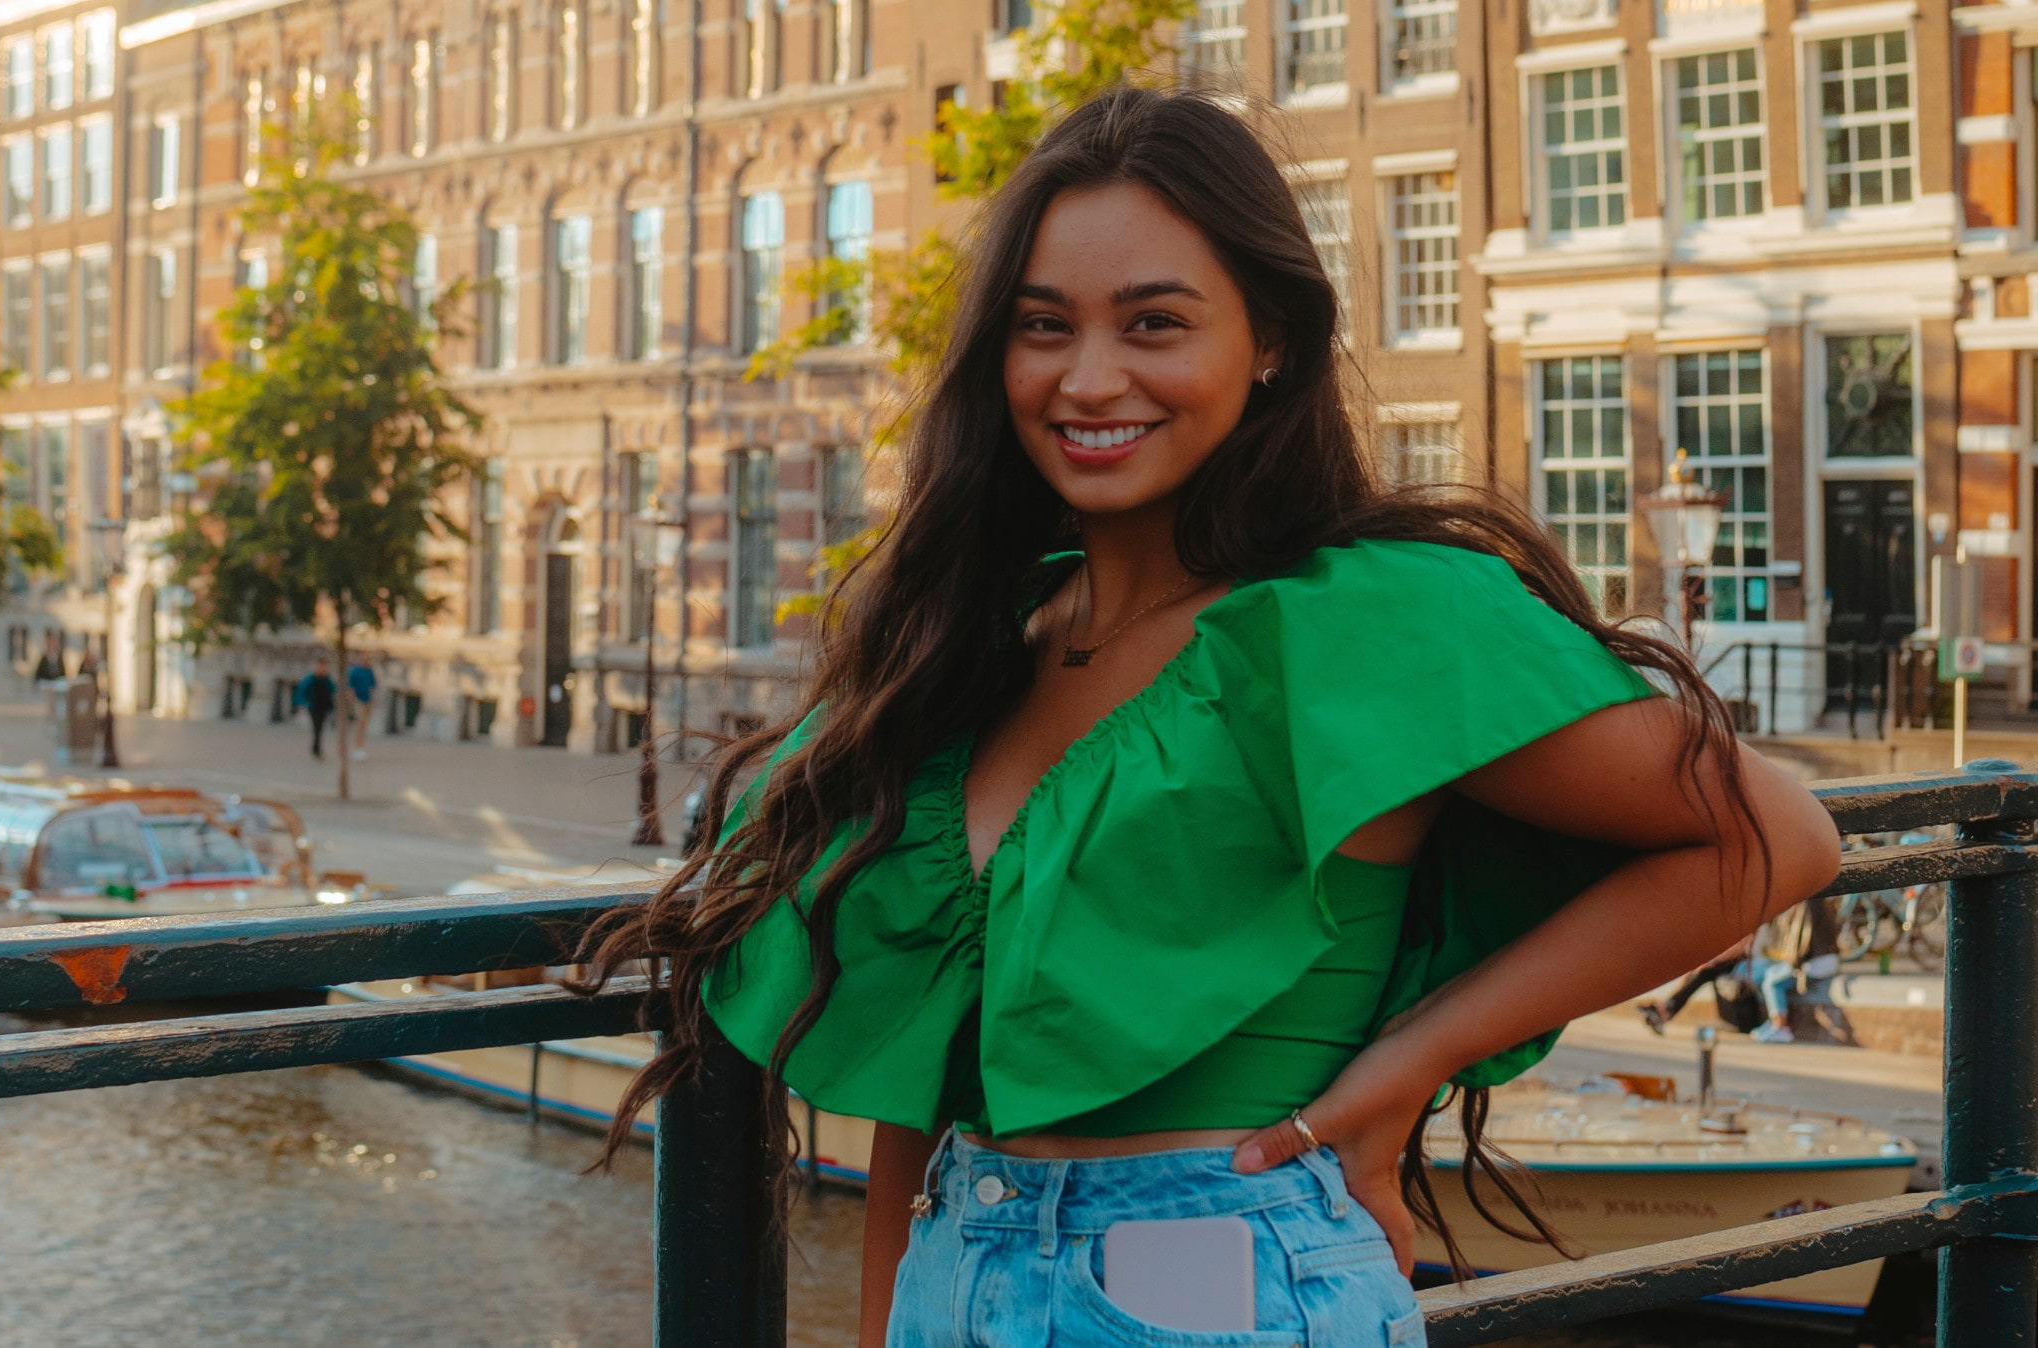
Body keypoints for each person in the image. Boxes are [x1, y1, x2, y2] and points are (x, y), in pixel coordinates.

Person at [582, 90, 1840, 1346]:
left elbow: (1773, 836)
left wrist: (1394, 1079)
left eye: (1154, 323)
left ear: (1272, 339)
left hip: (1214, 1274)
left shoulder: (1359, 621)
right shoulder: (967, 651)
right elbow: (929, 1068)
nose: (1088, 377)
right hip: (955, 1270)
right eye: (1042, 327)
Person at [1748, 898, 1843, 1044]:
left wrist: (1792, 965)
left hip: (1814, 965)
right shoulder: (1817, 902)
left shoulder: (1806, 905)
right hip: (1822, 960)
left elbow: (1803, 944)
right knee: (1768, 974)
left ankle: (1780, 1026)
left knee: (1772, 981)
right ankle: (1774, 1021)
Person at [1638, 938, 1756, 1035]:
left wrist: (1710, 962)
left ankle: (1664, 1010)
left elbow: (1740, 947)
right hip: (1727, 962)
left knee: (1702, 974)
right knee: (1693, 976)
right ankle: (1664, 1010)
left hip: (1739, 963)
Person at [295, 659, 336, 761]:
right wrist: (301, 703)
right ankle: (317, 750)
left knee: (319, 729)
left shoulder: (327, 679)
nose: (322, 668)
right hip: (314, 707)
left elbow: (333, 690)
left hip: (324, 708)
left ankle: (315, 749)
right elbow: (301, 690)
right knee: (317, 728)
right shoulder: (311, 678)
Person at [346, 653, 377, 761]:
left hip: (368, 701)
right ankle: (357, 748)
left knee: (364, 725)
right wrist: (353, 700)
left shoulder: (369, 671)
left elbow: (373, 686)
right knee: (359, 724)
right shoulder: (355, 671)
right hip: (359, 701)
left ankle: (361, 747)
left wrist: (373, 700)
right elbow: (351, 687)